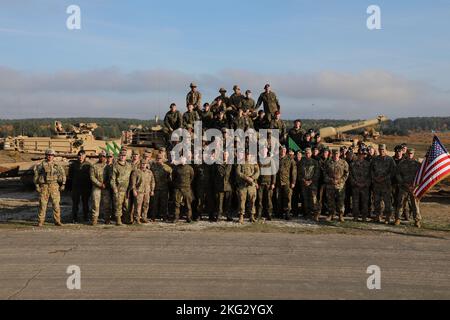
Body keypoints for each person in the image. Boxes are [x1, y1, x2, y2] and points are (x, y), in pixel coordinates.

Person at [33, 149, 66, 227]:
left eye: (51, 155)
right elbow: (36, 176)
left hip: (54, 186)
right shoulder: (41, 165)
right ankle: (40, 221)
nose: (50, 157)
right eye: (48, 155)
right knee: (42, 205)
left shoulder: (57, 166)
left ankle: (57, 221)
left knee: (56, 205)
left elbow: (63, 174)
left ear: (53, 156)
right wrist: (37, 186)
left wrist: (63, 184)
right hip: (44, 186)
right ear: (46, 156)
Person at [395, 149, 422, 228]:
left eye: (411, 153)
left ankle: (417, 220)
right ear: (406, 154)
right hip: (404, 187)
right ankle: (398, 218)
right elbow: (397, 174)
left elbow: (420, 176)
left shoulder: (418, 164)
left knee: (415, 205)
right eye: (409, 153)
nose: (410, 155)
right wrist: (403, 182)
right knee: (400, 203)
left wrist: (415, 185)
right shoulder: (402, 163)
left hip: (414, 188)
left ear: (413, 154)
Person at [371, 144, 396, 224]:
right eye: (380, 149)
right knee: (377, 201)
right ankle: (378, 216)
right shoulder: (375, 159)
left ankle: (387, 217)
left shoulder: (390, 160)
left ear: (386, 149)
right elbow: (371, 170)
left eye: (383, 149)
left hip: (386, 184)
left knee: (387, 202)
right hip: (376, 184)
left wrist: (384, 178)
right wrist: (375, 178)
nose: (381, 151)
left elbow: (393, 171)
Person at [323, 150, 349, 222]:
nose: (335, 155)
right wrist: (330, 180)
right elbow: (324, 173)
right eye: (334, 154)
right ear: (332, 154)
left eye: (337, 154)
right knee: (330, 200)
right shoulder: (328, 163)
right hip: (330, 185)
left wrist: (340, 180)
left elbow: (346, 173)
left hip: (340, 185)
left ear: (339, 154)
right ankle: (331, 214)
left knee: (340, 200)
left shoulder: (343, 163)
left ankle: (340, 215)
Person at [235, 152, 260, 224]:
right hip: (243, 185)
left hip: (251, 185)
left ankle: (252, 216)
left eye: (249, 155)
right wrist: (246, 178)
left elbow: (257, 172)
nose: (248, 156)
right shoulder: (240, 163)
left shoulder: (254, 163)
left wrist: (252, 178)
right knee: (242, 201)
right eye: (247, 155)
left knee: (252, 200)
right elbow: (238, 172)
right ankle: (241, 216)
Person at [90, 151, 113, 225]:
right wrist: (99, 184)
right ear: (99, 157)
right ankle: (94, 220)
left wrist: (105, 184)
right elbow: (92, 177)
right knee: (95, 204)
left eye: (104, 156)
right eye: (101, 156)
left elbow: (111, 177)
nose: (102, 158)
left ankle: (107, 219)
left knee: (107, 204)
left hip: (106, 187)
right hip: (96, 187)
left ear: (105, 157)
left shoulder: (108, 167)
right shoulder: (94, 166)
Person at [69, 150, 92, 223]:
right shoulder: (73, 164)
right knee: (75, 203)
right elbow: (70, 176)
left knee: (85, 203)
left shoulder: (88, 165)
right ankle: (74, 218)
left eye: (82, 155)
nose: (81, 157)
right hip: (76, 187)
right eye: (79, 155)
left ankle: (85, 217)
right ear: (77, 156)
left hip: (85, 187)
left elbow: (90, 176)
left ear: (85, 156)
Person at [110, 151, 133, 226]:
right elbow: (112, 179)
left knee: (126, 205)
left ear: (126, 157)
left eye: (124, 155)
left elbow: (133, 174)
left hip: (127, 189)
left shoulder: (129, 165)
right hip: (119, 189)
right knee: (118, 205)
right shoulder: (115, 166)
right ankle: (118, 220)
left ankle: (125, 219)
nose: (122, 157)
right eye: (121, 155)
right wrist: (115, 189)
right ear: (119, 156)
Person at [298, 148, 320, 221]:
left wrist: (310, 181)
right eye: (306, 153)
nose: (307, 154)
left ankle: (315, 214)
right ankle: (308, 214)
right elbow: (299, 173)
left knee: (313, 200)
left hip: (312, 184)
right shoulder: (301, 162)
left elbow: (317, 173)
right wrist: (304, 181)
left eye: (309, 153)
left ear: (311, 153)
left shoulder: (315, 162)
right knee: (305, 199)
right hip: (304, 183)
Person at [349, 149, 371, 222]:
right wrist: (356, 183)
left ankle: (364, 216)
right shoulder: (352, 164)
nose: (361, 155)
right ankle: (355, 216)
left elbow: (370, 176)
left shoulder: (368, 164)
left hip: (365, 186)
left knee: (365, 202)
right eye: (359, 154)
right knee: (355, 202)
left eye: (362, 154)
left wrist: (365, 183)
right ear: (357, 155)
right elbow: (350, 176)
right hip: (356, 186)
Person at [276, 146, 297, 220]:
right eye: (282, 150)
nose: (283, 151)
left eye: (284, 150)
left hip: (287, 182)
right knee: (278, 197)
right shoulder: (276, 159)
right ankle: (279, 213)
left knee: (287, 197)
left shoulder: (290, 159)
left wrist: (293, 182)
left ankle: (287, 213)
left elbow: (293, 172)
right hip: (278, 182)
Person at [150, 154, 172, 222]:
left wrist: (166, 181)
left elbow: (170, 179)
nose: (159, 159)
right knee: (154, 204)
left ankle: (164, 217)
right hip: (155, 188)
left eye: (160, 158)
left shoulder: (168, 168)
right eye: (158, 158)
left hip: (164, 189)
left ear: (163, 159)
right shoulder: (153, 167)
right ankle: (153, 217)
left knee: (164, 204)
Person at [172, 156, 195, 223]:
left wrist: (187, 184)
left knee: (188, 204)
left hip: (187, 188)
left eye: (183, 159)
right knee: (177, 204)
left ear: (186, 160)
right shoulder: (176, 168)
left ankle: (189, 218)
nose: (182, 161)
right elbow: (173, 177)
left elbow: (192, 177)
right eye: (181, 159)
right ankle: (176, 218)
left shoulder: (190, 168)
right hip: (178, 188)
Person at [256, 147, 276, 221]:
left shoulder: (271, 160)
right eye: (262, 150)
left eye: (265, 150)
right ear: (260, 151)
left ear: (267, 151)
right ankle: (259, 214)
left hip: (268, 183)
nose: (263, 151)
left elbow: (274, 172)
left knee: (269, 200)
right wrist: (255, 183)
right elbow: (256, 172)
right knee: (259, 200)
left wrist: (273, 183)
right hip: (260, 183)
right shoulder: (258, 160)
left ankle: (269, 214)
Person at [214, 151, 234, 222]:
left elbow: (233, 175)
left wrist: (232, 184)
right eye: (224, 155)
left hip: (228, 186)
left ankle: (228, 215)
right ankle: (219, 215)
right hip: (220, 186)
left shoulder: (230, 164)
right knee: (219, 202)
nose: (225, 156)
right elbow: (214, 175)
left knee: (228, 202)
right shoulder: (218, 164)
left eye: (226, 154)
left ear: (228, 156)